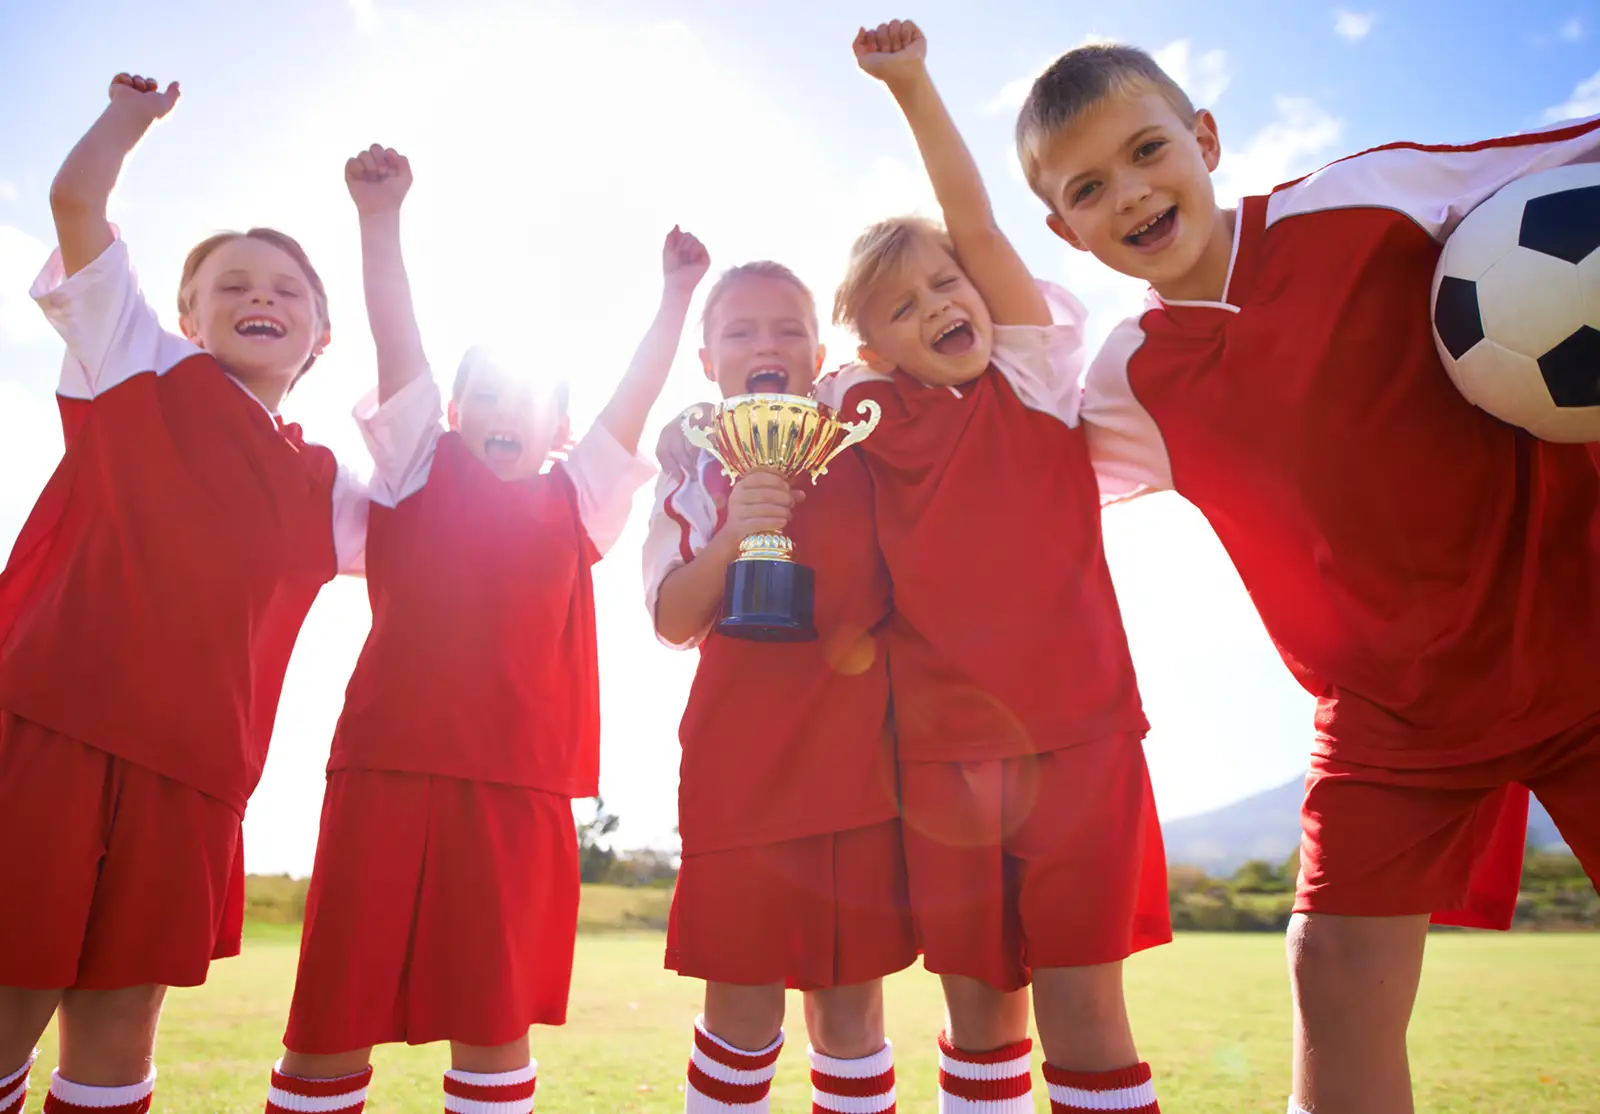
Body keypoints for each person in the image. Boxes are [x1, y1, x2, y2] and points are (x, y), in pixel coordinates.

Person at [1014, 39, 1600, 1114]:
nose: (1132, 193)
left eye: (1148, 150)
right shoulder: (1130, 376)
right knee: (1329, 967)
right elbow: (1023, 491)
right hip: (1391, 716)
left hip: (1581, 638)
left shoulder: (1368, 200)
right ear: (1065, 230)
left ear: (1204, 139)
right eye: (1089, 188)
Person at [264, 147, 685, 1114]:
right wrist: (380, 218)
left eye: (528, 401)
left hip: (518, 784)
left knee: (494, 1030)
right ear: (454, 414)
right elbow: (398, 339)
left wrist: (672, 299)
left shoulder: (580, 502)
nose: (506, 412)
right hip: (389, 767)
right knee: (331, 1016)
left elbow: (633, 402)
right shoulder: (418, 466)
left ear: (561, 429)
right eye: (486, 396)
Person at [0, 74, 391, 1114]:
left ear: (319, 339)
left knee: (119, 1032)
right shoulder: (134, 362)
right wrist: (128, 119)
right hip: (50, 729)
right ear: (181, 313)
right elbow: (77, 205)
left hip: (198, 779)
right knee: (9, 996)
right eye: (232, 283)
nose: (260, 297)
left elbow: (435, 532)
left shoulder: (330, 489)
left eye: (286, 291)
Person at [825, 21, 1170, 1114]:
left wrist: (912, 89)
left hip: (1079, 737)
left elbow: (971, 222)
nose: (941, 304)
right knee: (978, 1023)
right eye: (905, 306)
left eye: (947, 284)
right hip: (941, 760)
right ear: (876, 350)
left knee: (1083, 1012)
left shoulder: (1029, 374)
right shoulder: (866, 417)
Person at [644, 257, 915, 1114]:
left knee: (848, 1014)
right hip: (738, 764)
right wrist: (729, 539)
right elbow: (671, 617)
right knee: (741, 1014)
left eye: (789, 327)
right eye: (741, 330)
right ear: (706, 361)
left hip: (855, 760)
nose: (767, 342)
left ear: (820, 350)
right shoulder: (691, 454)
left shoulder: (856, 423)